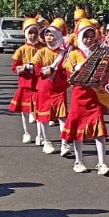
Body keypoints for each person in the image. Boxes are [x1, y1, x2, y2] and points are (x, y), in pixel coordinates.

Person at [61, 20, 109, 175]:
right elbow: (68, 76)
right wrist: (76, 70)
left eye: (92, 36)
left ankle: (102, 163)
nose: (89, 39)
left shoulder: (101, 52)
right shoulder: (74, 54)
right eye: (86, 36)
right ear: (80, 38)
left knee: (100, 129)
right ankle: (78, 161)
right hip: (80, 96)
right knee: (78, 129)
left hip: (94, 95)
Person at [33, 26, 70, 154]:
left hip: (59, 89)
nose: (49, 38)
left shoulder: (64, 54)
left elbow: (68, 70)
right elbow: (35, 69)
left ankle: (64, 143)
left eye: (52, 35)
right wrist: (45, 71)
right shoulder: (41, 52)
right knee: (44, 116)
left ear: (58, 37)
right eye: (47, 35)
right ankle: (47, 141)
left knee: (62, 116)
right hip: (43, 88)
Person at [8, 19, 42, 143]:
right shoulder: (21, 50)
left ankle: (40, 135)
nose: (33, 35)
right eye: (30, 33)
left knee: (39, 111)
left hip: (39, 84)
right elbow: (14, 67)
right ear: (26, 34)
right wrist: (22, 68)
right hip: (25, 84)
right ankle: (26, 132)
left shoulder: (43, 48)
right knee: (25, 111)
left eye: (35, 33)